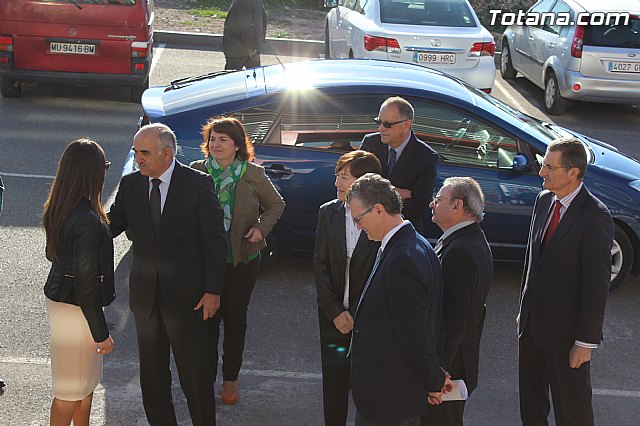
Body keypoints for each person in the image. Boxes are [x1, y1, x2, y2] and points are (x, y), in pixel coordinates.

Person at [108, 123, 227, 426]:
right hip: (145, 300)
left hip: (189, 300)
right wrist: (78, 222)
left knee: (195, 378)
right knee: (153, 377)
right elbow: (112, 225)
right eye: (135, 152)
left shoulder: (198, 184)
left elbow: (214, 240)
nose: (138, 159)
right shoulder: (131, 184)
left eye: (144, 153)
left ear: (167, 153)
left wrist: (213, 291)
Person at [518, 137, 614, 426]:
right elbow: (533, 262)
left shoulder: (596, 216)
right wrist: (524, 312)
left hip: (567, 337)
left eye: (549, 166)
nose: (541, 172)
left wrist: (585, 342)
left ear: (573, 172)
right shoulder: (543, 201)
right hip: (532, 328)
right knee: (531, 407)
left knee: (572, 410)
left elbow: (597, 286)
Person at [190, 116, 285, 405]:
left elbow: (276, 205)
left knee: (234, 320)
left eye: (223, 139)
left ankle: (230, 378)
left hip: (241, 260)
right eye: (213, 139)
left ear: (237, 145)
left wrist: (261, 228)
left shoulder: (252, 173)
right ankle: (204, 380)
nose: (216, 144)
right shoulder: (196, 171)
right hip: (204, 263)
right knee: (205, 322)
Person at [346, 173, 454, 426]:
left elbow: (414, 333)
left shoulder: (402, 259)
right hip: (397, 393)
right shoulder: (417, 245)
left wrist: (434, 381)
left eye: (358, 219)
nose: (358, 228)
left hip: (389, 397)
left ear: (379, 210)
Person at [42, 139, 115, 426]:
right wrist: (101, 333)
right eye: (104, 167)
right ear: (91, 173)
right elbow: (86, 283)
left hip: (69, 302)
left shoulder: (65, 206)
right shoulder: (85, 219)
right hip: (76, 308)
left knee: (83, 386)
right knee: (71, 390)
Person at [314, 150, 382, 426]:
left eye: (344, 177)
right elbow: (319, 265)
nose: (337, 184)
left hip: (368, 318)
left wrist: (355, 314)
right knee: (334, 383)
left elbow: (381, 273)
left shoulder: (381, 214)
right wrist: (334, 312)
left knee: (370, 382)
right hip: (333, 316)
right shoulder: (328, 212)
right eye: (337, 176)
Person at [421, 177, 493, 426]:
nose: (432, 204)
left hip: (450, 368)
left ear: (457, 206)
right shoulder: (467, 239)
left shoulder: (460, 251)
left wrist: (438, 373)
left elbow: (454, 319)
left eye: (438, 200)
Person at [360, 96, 438, 235]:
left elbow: (418, 208)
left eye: (387, 124)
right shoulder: (371, 143)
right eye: (379, 122)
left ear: (407, 125)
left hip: (402, 233)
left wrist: (374, 193)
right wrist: (399, 192)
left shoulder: (426, 157)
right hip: (368, 230)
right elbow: (359, 188)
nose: (381, 128)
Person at [222, 0, 268, 70]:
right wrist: (259, 42)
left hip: (238, 49)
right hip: (253, 48)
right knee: (255, 77)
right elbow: (264, 20)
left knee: (231, 78)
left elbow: (245, 27)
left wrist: (250, 49)